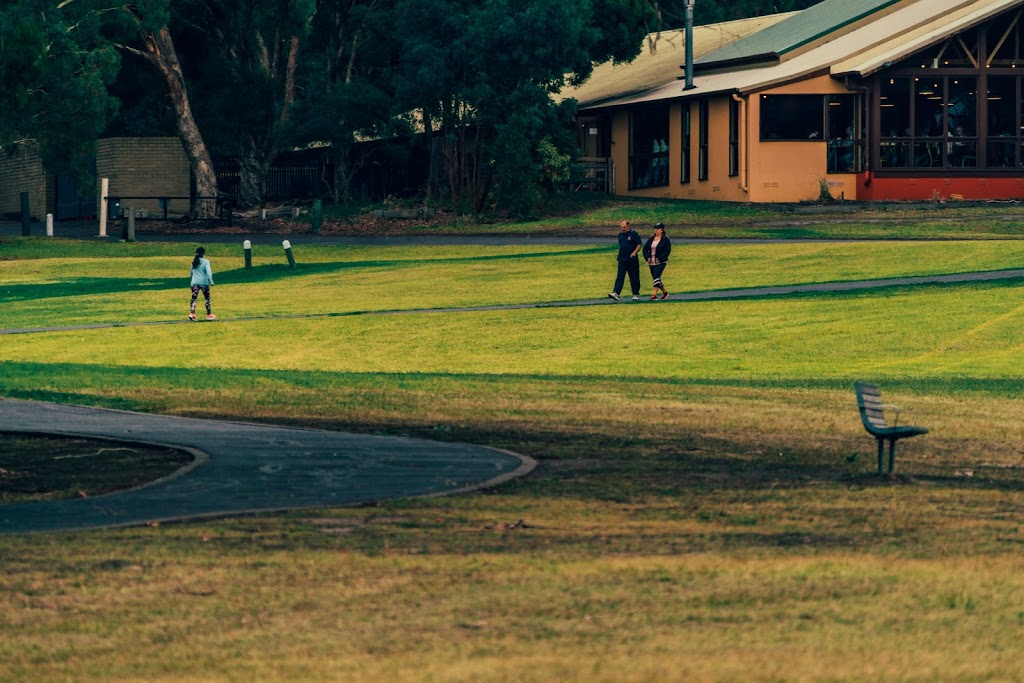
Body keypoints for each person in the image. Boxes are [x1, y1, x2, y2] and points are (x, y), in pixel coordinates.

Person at [609, 220, 642, 301]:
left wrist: (634, 252)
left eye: (624, 227)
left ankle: (635, 294)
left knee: (634, 276)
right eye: (621, 227)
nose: (622, 229)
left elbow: (639, 245)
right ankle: (616, 293)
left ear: (628, 226)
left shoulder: (634, 234)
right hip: (622, 259)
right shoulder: (620, 235)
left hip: (632, 259)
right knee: (620, 276)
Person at [642, 223, 672, 300]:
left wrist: (660, 258)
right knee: (656, 279)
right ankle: (665, 293)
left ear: (662, 230)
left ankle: (653, 295)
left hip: (661, 262)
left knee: (656, 276)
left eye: (658, 229)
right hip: (651, 262)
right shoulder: (651, 239)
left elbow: (667, 251)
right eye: (655, 229)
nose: (656, 230)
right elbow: (645, 249)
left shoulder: (665, 240)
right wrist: (647, 257)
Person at [189, 247, 216, 321]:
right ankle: (209, 314)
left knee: (194, 298)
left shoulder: (194, 262)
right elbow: (209, 272)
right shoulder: (206, 262)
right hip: (204, 283)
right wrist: (211, 281)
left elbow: (191, 273)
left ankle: (192, 313)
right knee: (207, 299)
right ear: (203, 253)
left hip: (194, 282)